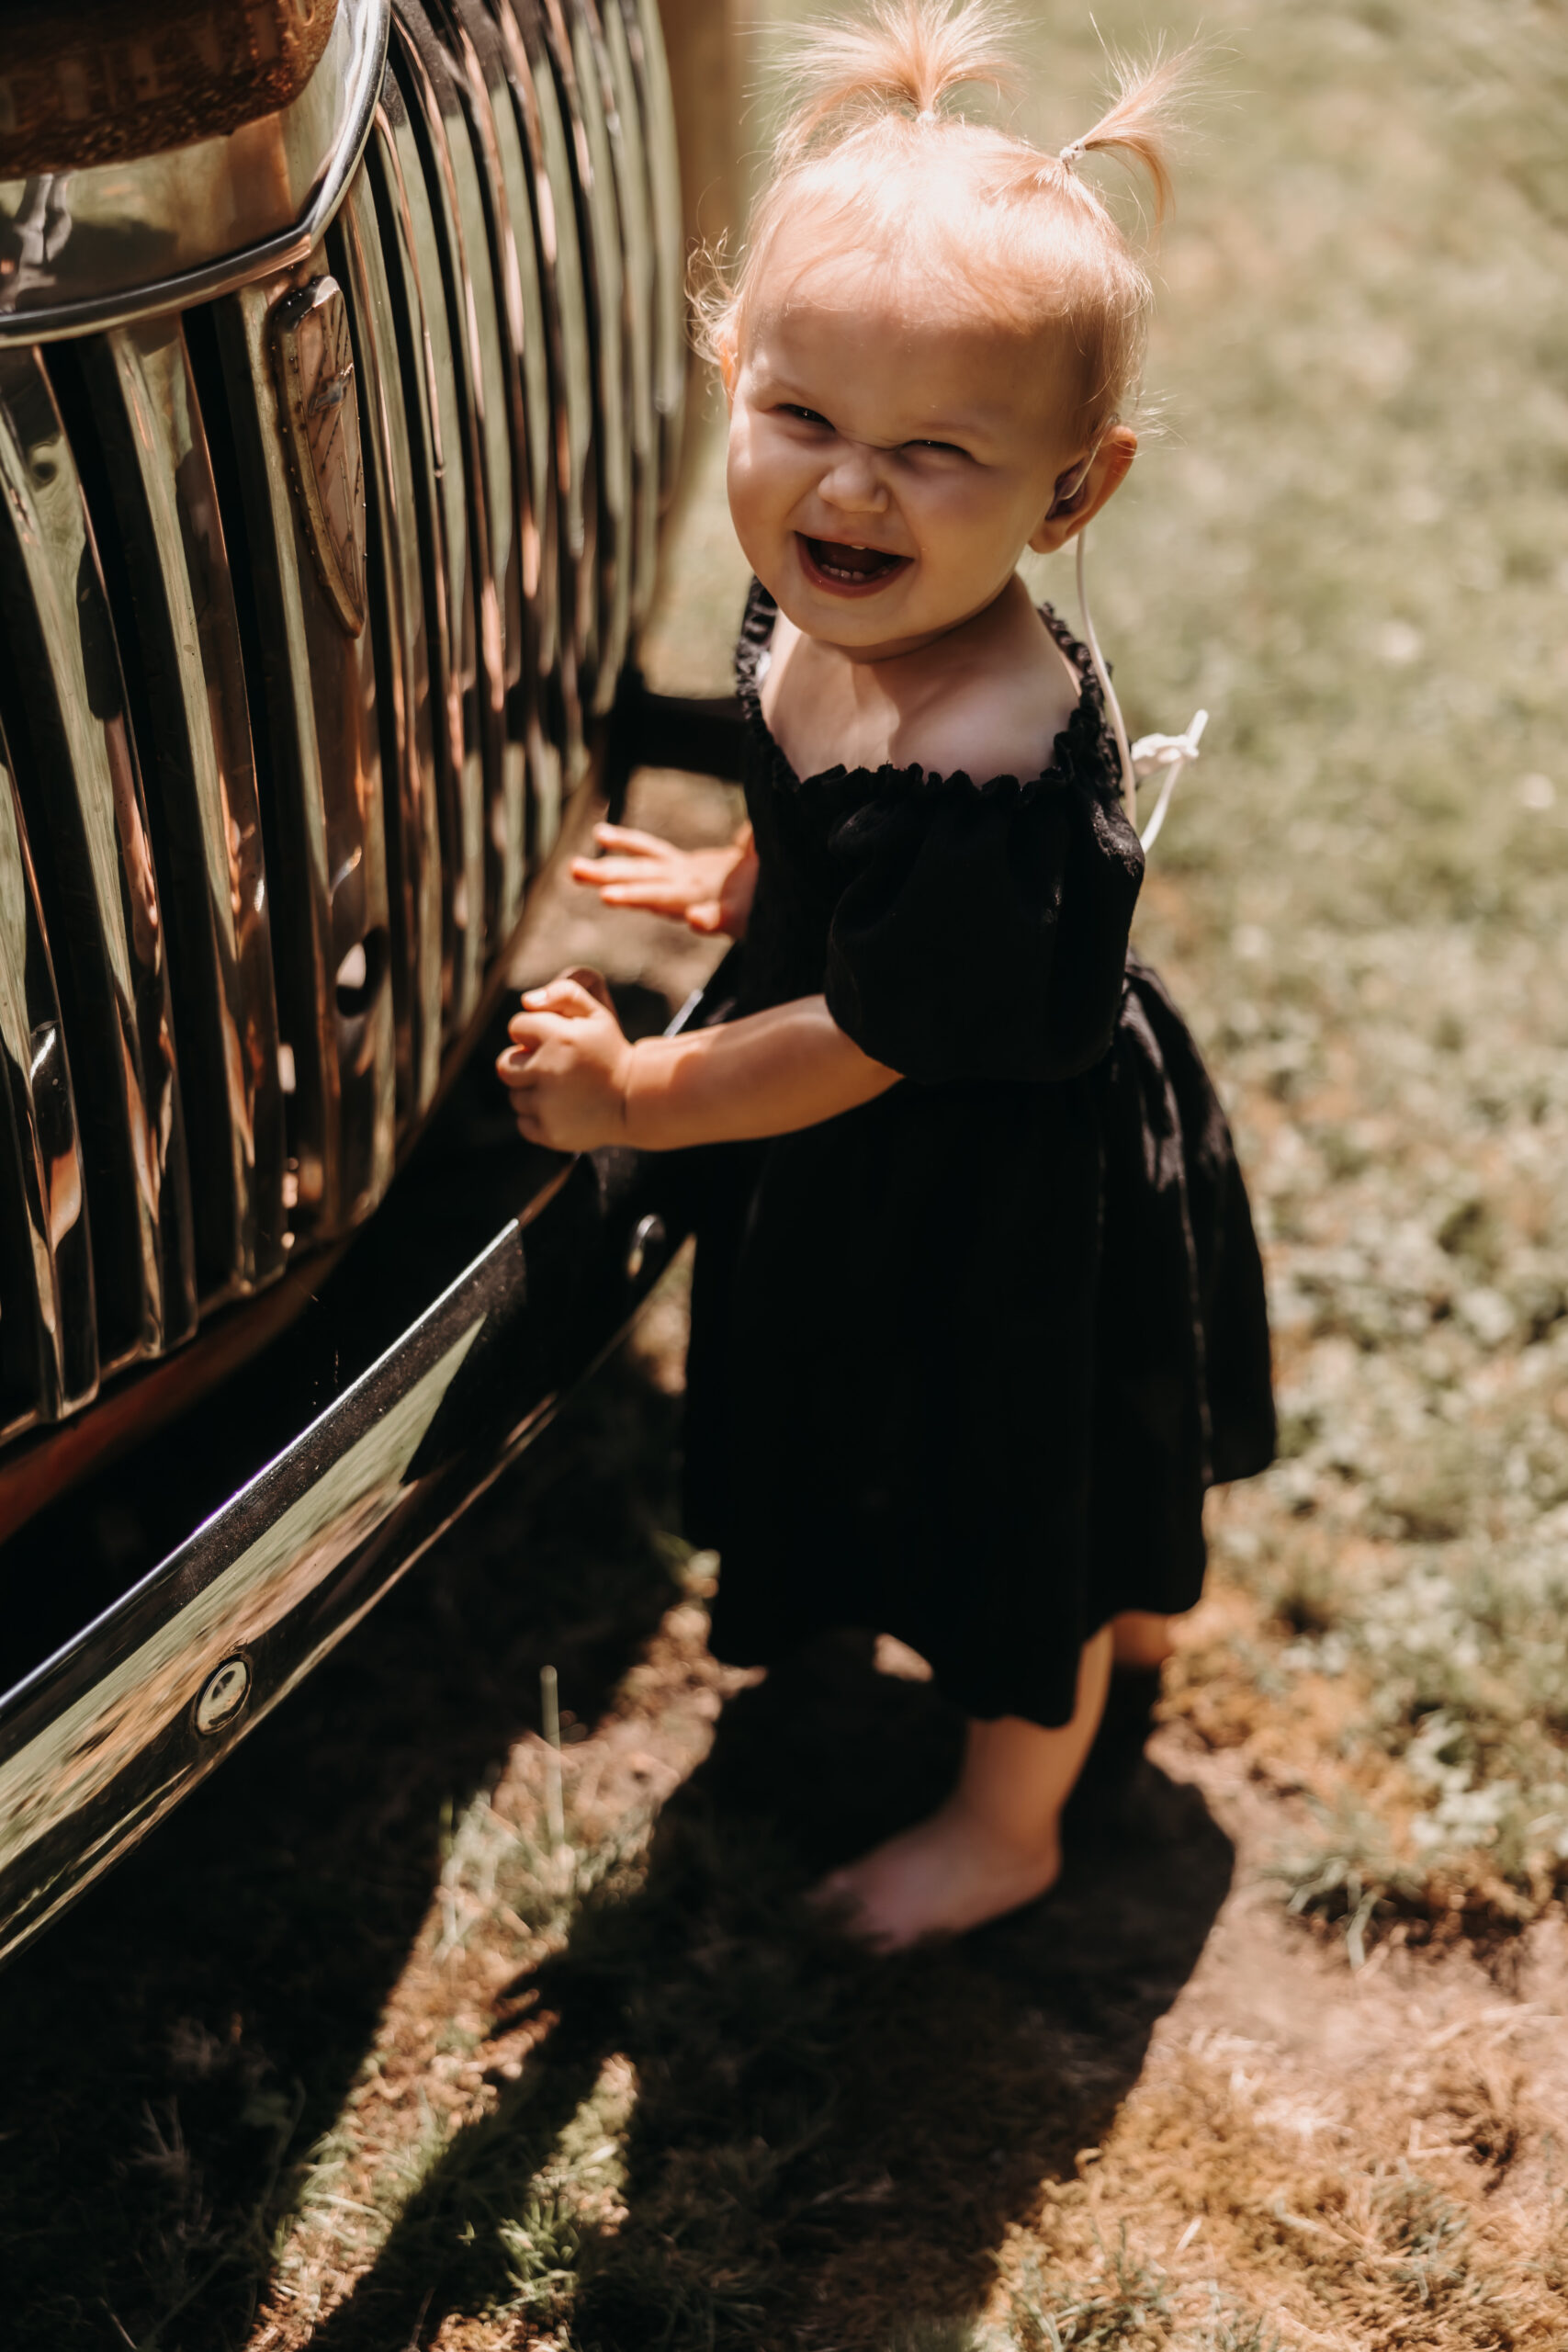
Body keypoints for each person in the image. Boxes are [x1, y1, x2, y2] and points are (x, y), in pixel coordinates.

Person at [497, 0, 1275, 1950]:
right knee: (892, 1432)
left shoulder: (991, 762)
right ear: (731, 372)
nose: (850, 493)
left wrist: (635, 1099)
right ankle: (1083, 1595)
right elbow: (824, 826)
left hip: (992, 1176)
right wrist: (738, 871)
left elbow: (858, 1038)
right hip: (876, 1132)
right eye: (805, 421)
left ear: (1069, 491)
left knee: (1013, 1490)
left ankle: (1010, 1814)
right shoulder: (828, 610)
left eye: (936, 454)